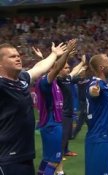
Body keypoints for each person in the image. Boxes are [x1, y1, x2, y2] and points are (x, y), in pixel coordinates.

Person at [0, 42, 67, 175]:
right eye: (12, 57)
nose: (18, 58)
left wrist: (54, 54)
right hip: (8, 158)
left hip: (26, 154)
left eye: (18, 55)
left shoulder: (22, 80)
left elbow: (39, 68)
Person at [35, 39, 76, 175]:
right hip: (52, 125)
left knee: (48, 158)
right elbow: (57, 67)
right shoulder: (45, 82)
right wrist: (67, 52)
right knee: (54, 160)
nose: (59, 67)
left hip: (51, 124)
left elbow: (56, 68)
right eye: (55, 66)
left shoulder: (54, 83)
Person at [85, 53, 108, 175]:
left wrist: (107, 86)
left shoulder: (102, 84)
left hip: (102, 138)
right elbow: (93, 90)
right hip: (99, 139)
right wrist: (95, 91)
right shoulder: (95, 84)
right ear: (101, 67)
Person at [57, 55, 86, 157]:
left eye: (68, 67)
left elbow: (75, 71)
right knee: (63, 134)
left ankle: (65, 150)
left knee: (68, 133)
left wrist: (82, 63)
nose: (68, 69)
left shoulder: (68, 79)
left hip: (69, 111)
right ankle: (59, 152)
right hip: (62, 112)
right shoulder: (58, 80)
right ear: (59, 69)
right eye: (65, 68)